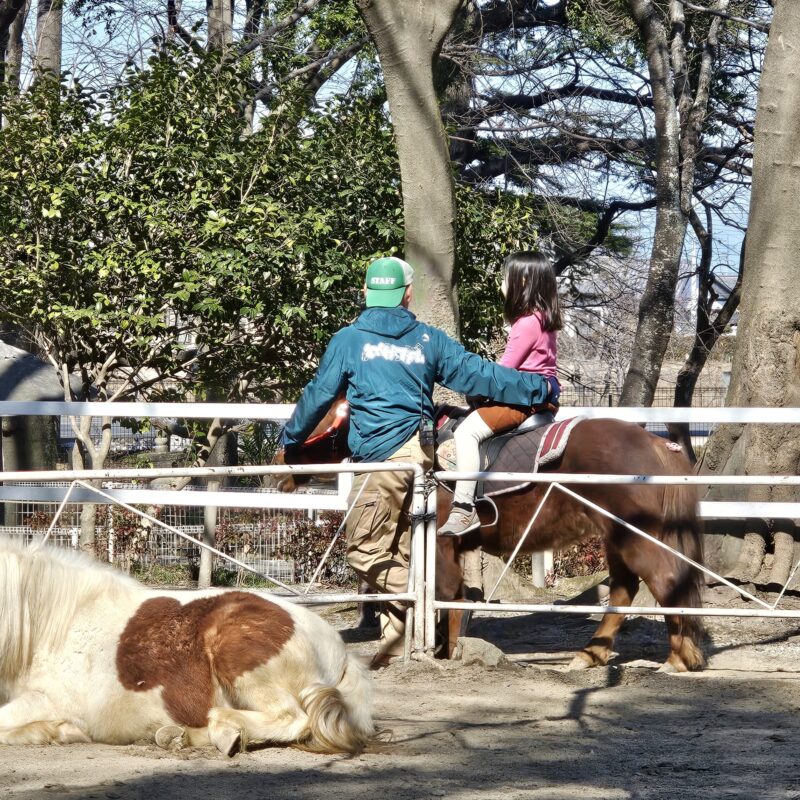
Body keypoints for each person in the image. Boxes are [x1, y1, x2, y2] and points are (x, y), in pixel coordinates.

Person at [280, 256, 556, 668]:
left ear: (366, 293)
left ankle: (424, 592)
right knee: (405, 547)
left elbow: (319, 395)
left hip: (380, 460)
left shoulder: (349, 341)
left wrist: (291, 441)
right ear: (408, 295)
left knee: (363, 549)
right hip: (425, 458)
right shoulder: (429, 340)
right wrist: (538, 387)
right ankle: (397, 643)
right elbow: (480, 375)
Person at [438, 251, 562, 537]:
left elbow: (502, 373)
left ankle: (463, 507)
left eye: (507, 276)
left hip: (521, 400)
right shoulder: (543, 318)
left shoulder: (526, 323)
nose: (502, 283)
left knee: (466, 432)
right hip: (539, 397)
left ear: (523, 280)